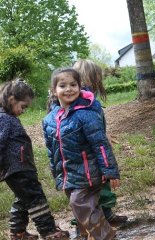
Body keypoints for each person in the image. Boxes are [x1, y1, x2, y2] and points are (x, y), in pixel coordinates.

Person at [42, 68, 120, 240]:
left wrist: (110, 171)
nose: (69, 89)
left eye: (73, 84)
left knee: (79, 202)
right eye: (63, 85)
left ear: (80, 87)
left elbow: (101, 144)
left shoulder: (85, 115)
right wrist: (58, 175)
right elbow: (51, 151)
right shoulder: (49, 120)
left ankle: (106, 236)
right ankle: (86, 236)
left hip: (88, 173)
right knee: (82, 208)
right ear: (54, 91)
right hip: (69, 176)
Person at [0, 79, 69, 240]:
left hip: (21, 167)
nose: (23, 111)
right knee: (36, 198)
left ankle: (18, 233)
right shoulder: (3, 119)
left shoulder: (7, 117)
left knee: (23, 199)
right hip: (17, 168)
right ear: (11, 100)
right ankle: (48, 231)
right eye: (23, 106)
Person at [73, 59, 128, 226]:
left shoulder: (85, 98)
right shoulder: (84, 100)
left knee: (94, 184)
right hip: (87, 151)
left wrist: (104, 134)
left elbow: (92, 126)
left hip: (87, 147)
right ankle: (91, 221)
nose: (100, 81)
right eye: (98, 77)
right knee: (94, 184)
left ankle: (104, 215)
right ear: (90, 77)